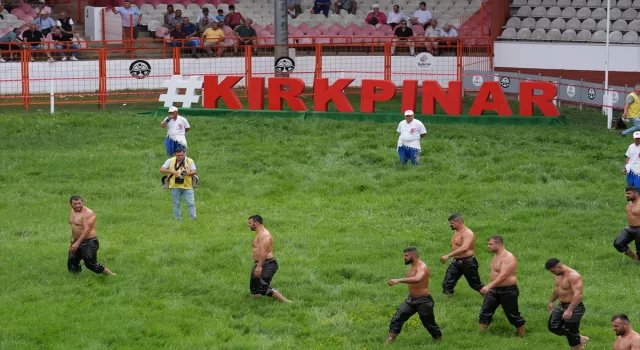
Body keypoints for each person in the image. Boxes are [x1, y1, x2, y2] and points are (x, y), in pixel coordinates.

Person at [385, 247, 442, 344]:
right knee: (397, 319)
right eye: (404, 255)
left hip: (423, 301)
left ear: (414, 256)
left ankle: (439, 341)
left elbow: (417, 279)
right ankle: (388, 342)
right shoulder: (412, 266)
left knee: (429, 324)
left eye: (406, 255)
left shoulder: (422, 267)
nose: (404, 257)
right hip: (410, 300)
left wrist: (398, 280)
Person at [478, 236, 526, 337]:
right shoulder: (496, 256)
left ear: (499, 245)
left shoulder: (508, 257)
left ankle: (522, 336)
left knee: (512, 314)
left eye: (490, 244)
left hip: (508, 291)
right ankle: (480, 336)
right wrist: (490, 287)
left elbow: (503, 276)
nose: (488, 246)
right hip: (494, 290)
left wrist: (487, 287)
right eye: (488, 244)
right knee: (485, 311)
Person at [545, 258, 589, 350]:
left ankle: (576, 341)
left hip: (574, 308)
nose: (552, 273)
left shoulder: (573, 276)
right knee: (553, 326)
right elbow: (558, 289)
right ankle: (579, 338)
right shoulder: (559, 274)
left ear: (559, 267)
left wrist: (569, 310)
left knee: (571, 333)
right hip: (561, 305)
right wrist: (551, 301)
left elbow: (578, 294)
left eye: (553, 271)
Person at [67, 196, 116, 276]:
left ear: (83, 202)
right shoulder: (73, 211)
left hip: (89, 242)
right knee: (72, 261)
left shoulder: (88, 213)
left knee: (90, 263)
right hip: (77, 240)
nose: (77, 205)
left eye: (79, 203)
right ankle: (75, 279)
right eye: (75, 204)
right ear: (70, 204)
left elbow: (87, 230)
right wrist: (73, 239)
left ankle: (111, 274)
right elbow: (74, 226)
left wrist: (77, 243)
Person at [248, 215, 292, 302]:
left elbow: (264, 252)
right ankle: (257, 304)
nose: (248, 225)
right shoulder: (260, 234)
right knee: (255, 289)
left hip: (267, 264)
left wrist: (259, 267)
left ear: (256, 223)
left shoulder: (264, 235)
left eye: (250, 223)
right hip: (261, 263)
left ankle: (287, 302)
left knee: (263, 287)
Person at [440, 213, 484, 295]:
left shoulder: (467, 233)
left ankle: (492, 299)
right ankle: (448, 303)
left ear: (459, 222)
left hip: (468, 263)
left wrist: (448, 255)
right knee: (447, 284)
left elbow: (464, 248)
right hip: (456, 262)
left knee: (476, 285)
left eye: (452, 223)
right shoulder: (457, 232)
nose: (450, 225)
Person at [159, 149, 197, 220]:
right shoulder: (170, 161)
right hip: (175, 186)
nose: (180, 157)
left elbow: (194, 171)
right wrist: (172, 171)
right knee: (176, 204)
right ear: (175, 155)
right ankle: (178, 219)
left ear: (185, 154)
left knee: (191, 203)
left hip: (188, 186)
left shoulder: (189, 161)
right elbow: (161, 169)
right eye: (178, 155)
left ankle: (193, 219)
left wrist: (187, 173)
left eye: (182, 155)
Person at [614, 186, 640, 262]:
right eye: (626, 193)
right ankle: (635, 258)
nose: (626, 195)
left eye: (629, 193)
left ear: (636, 193)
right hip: (630, 228)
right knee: (618, 244)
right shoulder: (629, 203)